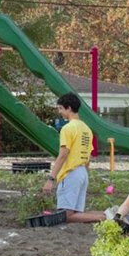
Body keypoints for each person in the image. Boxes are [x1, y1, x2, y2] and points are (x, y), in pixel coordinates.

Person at [45, 92, 100, 222]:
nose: (59, 112)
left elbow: (63, 154)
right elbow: (88, 156)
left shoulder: (67, 128)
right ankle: (106, 216)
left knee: (66, 215)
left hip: (71, 172)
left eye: (60, 108)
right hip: (82, 172)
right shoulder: (86, 129)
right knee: (76, 213)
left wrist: (51, 179)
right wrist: (84, 175)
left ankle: (105, 218)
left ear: (68, 108)